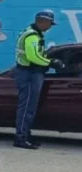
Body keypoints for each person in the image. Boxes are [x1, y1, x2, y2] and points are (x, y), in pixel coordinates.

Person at [13, 9, 62, 149]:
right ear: (42, 21)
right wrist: (52, 62)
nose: (50, 27)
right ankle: (21, 138)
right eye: (49, 23)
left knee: (30, 107)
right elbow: (33, 57)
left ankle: (25, 135)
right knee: (27, 107)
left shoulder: (35, 34)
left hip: (32, 73)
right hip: (28, 74)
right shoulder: (32, 36)